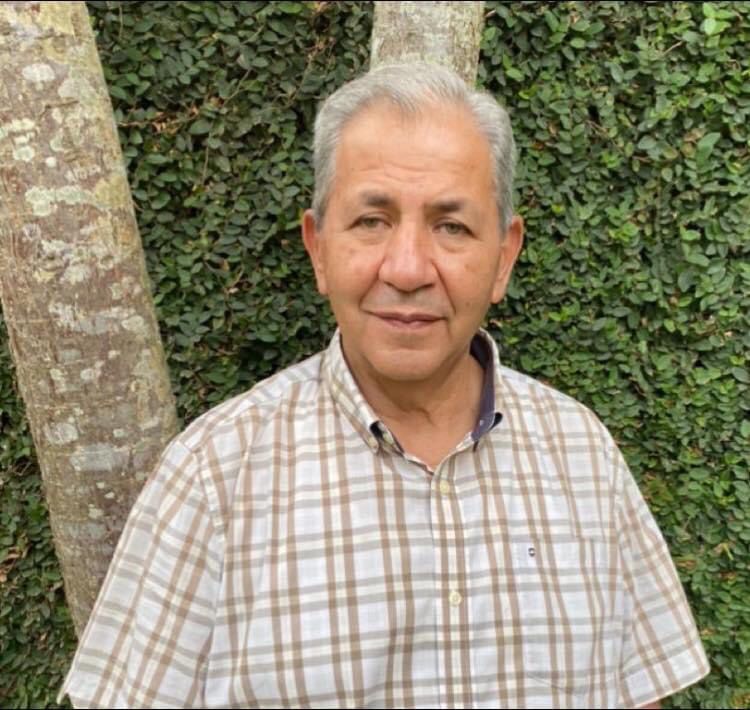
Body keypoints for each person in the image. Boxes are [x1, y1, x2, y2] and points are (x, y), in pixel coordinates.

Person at [60, 62, 709, 709]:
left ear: (504, 257)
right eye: (372, 221)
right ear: (318, 248)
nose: (406, 269)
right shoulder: (211, 478)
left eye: (451, 226)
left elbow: (636, 696)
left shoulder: (582, 455)